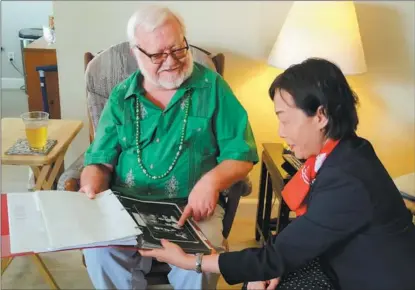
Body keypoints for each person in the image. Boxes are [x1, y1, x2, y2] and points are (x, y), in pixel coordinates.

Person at [140, 58, 415, 290]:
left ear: (321, 116)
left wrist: (191, 261)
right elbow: (301, 235)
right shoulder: (345, 151)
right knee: (260, 278)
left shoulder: (348, 180)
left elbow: (275, 255)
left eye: (285, 119)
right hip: (341, 259)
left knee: (261, 274)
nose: (281, 132)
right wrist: (274, 262)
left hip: (368, 279)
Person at [79, 5, 258, 290]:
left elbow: (242, 154)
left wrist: (210, 182)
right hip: (126, 208)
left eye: (178, 49)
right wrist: (90, 189)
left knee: (199, 263)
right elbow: (99, 161)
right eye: (159, 54)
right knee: (100, 252)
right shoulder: (121, 97)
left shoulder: (212, 87)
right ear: (136, 53)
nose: (172, 61)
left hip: (192, 209)